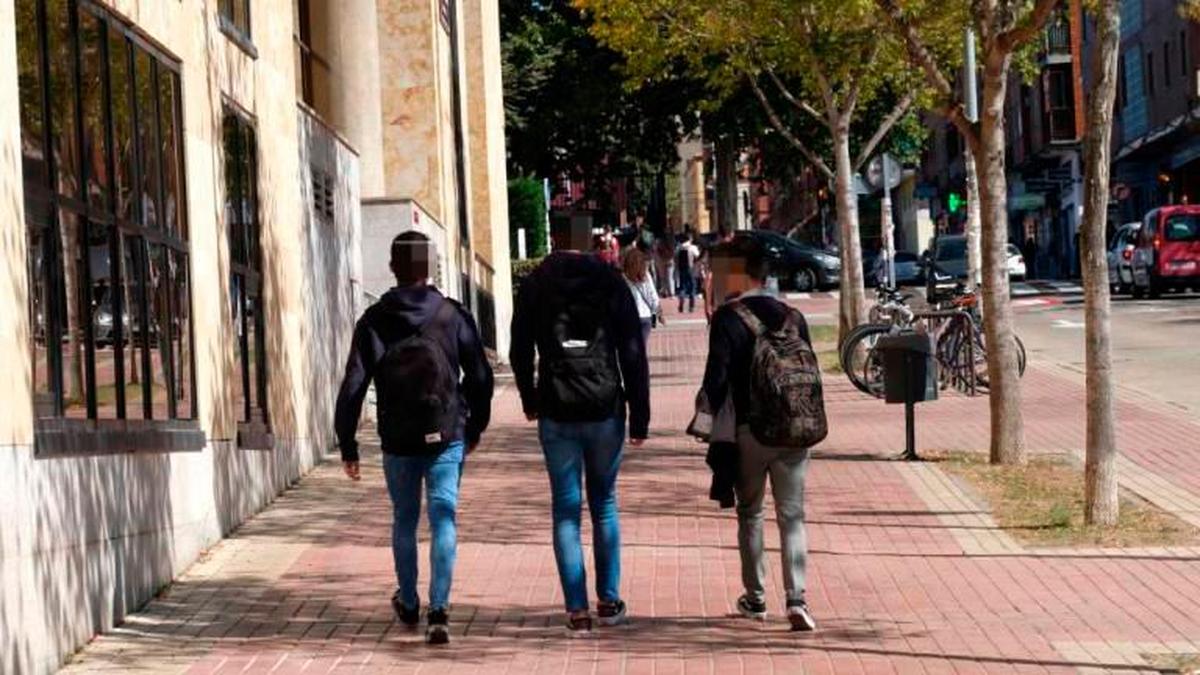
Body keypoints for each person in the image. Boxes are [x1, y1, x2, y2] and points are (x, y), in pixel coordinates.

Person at [334, 231, 494, 645]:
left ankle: (408, 601)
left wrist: (347, 443)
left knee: (404, 519)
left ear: (393, 268)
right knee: (444, 516)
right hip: (446, 433)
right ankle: (438, 609)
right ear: (430, 267)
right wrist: (475, 426)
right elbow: (479, 376)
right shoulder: (452, 315)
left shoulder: (374, 320)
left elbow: (354, 383)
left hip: (398, 438)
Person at [510, 218, 651, 634]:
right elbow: (632, 353)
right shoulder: (610, 281)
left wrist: (529, 398)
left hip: (557, 408)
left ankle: (576, 609)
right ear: (589, 240)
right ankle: (608, 599)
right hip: (606, 407)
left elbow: (520, 348)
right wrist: (640, 416)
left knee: (565, 510)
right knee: (604, 503)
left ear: (556, 239)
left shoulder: (536, 283)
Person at [700, 235, 823, 632]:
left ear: (736, 272)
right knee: (793, 515)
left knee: (751, 512)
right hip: (794, 428)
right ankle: (797, 598)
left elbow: (715, 380)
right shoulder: (792, 317)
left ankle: (755, 598)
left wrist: (704, 420)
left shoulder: (728, 318)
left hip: (750, 431)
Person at [623, 247, 663, 347]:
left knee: (630, 346)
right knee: (641, 347)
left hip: (629, 316)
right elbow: (652, 295)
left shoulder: (623, 277)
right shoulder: (645, 276)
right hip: (645, 316)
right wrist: (658, 312)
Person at [703, 226, 736, 322]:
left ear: (719, 236)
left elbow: (709, 278)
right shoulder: (736, 250)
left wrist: (707, 305)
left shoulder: (715, 250)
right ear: (731, 235)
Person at [675, 232, 700, 313]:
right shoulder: (692, 247)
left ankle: (681, 302)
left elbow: (675, 258)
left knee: (682, 287)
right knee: (692, 287)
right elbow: (697, 256)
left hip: (681, 269)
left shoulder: (678, 248)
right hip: (690, 269)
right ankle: (691, 306)